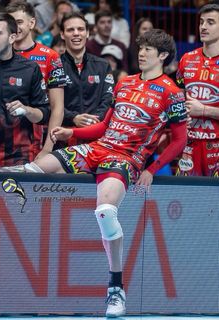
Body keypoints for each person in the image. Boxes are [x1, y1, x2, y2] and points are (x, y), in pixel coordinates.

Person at [23, 29, 187, 316]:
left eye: (149, 49)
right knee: (33, 170)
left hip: (126, 159)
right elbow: (103, 127)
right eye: (141, 47)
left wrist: (152, 169)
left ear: (162, 56)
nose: (142, 52)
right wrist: (71, 131)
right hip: (98, 148)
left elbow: (180, 140)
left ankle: (115, 289)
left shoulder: (172, 93)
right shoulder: (124, 84)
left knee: (106, 212)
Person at [0, 12, 50, 167]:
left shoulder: (29, 68)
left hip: (17, 158)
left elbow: (44, 114)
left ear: (12, 38)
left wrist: (27, 110)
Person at [6, 0, 65, 159]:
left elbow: (57, 107)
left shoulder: (50, 56)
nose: (15, 27)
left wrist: (47, 149)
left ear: (32, 23)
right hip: (0, 142)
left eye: (19, 22)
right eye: (10, 23)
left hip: (34, 142)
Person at [176, 2, 219, 176]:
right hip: (189, 146)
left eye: (210, 22)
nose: (203, 27)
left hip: (217, 146)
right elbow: (178, 99)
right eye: (202, 22)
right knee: (187, 199)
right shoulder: (186, 59)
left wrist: (204, 110)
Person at [59, 12, 114, 142]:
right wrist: (73, 117)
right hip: (64, 137)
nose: (76, 33)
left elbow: (109, 99)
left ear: (87, 33)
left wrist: (94, 119)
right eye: (70, 30)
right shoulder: (54, 65)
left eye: (81, 29)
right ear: (62, 34)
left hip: (97, 136)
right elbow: (48, 103)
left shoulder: (103, 65)